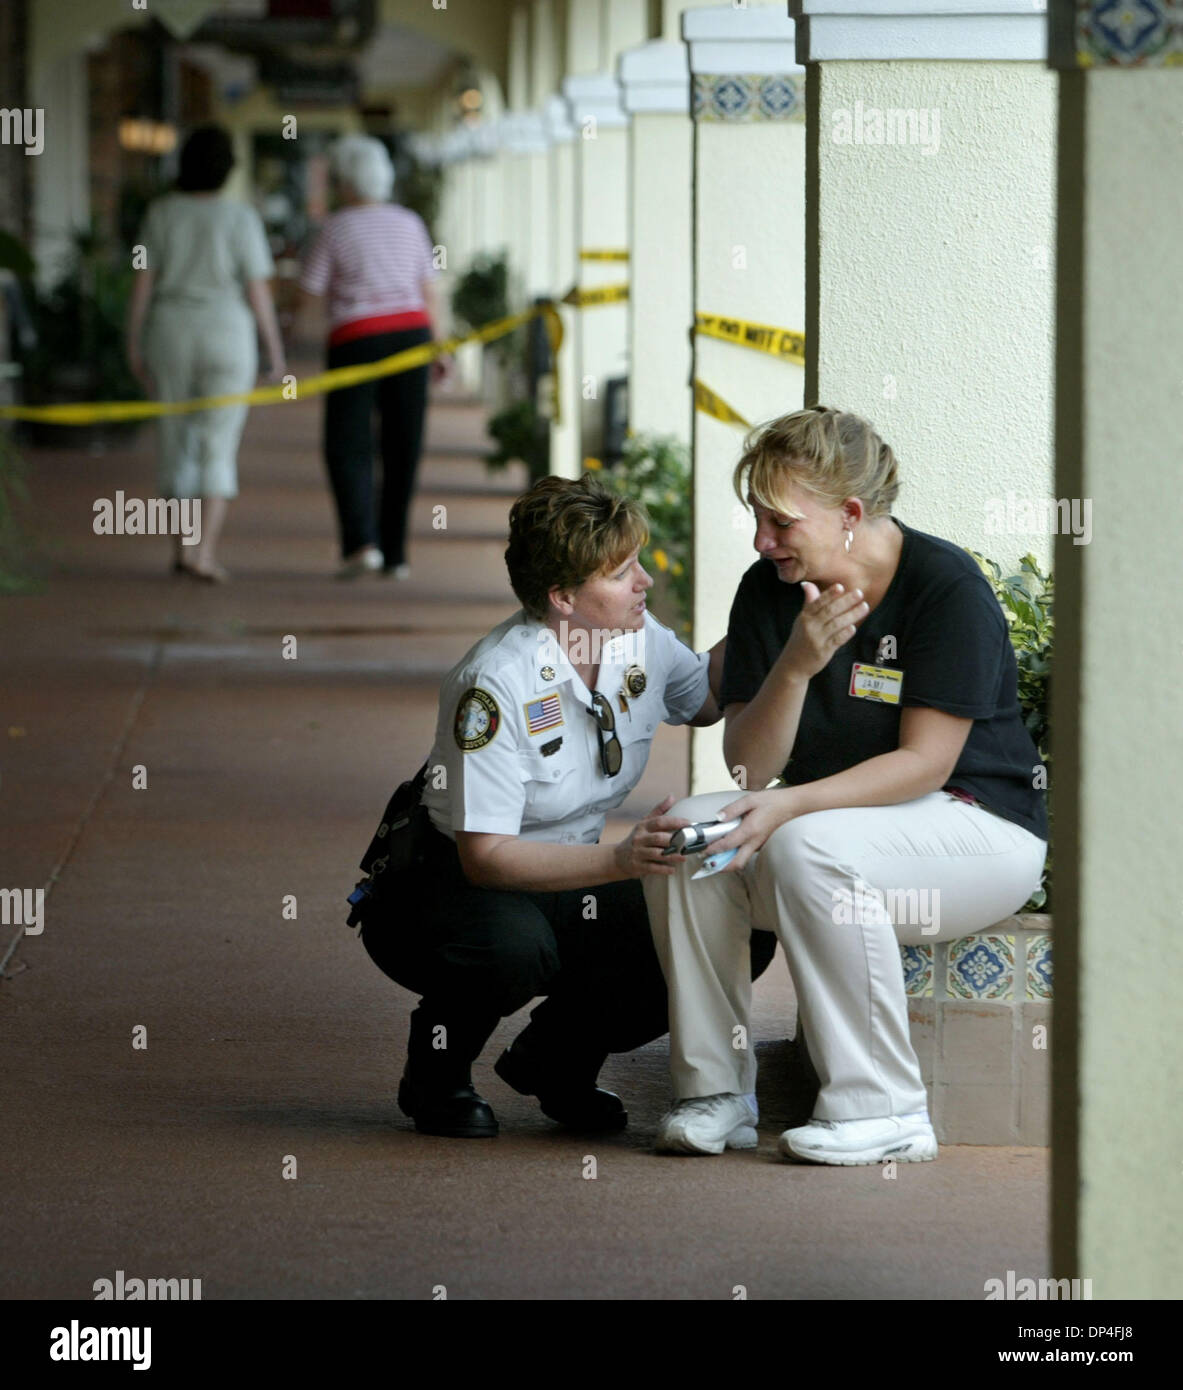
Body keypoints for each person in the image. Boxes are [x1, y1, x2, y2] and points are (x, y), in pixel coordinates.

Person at [645, 406, 1048, 1165]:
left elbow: (925, 764)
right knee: (686, 838)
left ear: (850, 515)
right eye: (756, 518)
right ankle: (714, 1093)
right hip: (838, 833)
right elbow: (747, 770)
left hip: (978, 831)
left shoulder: (943, 586)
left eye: (780, 522)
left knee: (806, 846)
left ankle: (884, 1108)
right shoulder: (768, 590)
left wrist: (788, 806)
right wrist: (796, 666)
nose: (762, 540)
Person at [356, 473, 776, 1137]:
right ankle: (435, 1075)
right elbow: (486, 858)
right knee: (515, 949)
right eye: (622, 572)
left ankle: (556, 1061)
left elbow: (705, 698)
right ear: (562, 596)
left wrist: (773, 603)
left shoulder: (637, 637)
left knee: (730, 918)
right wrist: (621, 861)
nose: (644, 581)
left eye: (637, 563)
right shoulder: (494, 684)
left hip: (569, 871)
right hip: (449, 885)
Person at [126, 123, 285, 582]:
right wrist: (274, 350)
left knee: (174, 439)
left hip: (170, 332)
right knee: (219, 443)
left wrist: (133, 341)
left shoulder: (160, 214)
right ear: (227, 169)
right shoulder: (242, 218)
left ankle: (182, 548)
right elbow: (258, 290)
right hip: (228, 334)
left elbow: (143, 282)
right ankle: (205, 552)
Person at [298, 135, 448, 581]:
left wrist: (297, 333)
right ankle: (396, 554)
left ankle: (361, 544)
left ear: (345, 182)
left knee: (347, 442)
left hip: (355, 338)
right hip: (411, 336)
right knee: (404, 444)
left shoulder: (334, 228)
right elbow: (430, 291)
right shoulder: (410, 222)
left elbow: (310, 291)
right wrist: (440, 347)